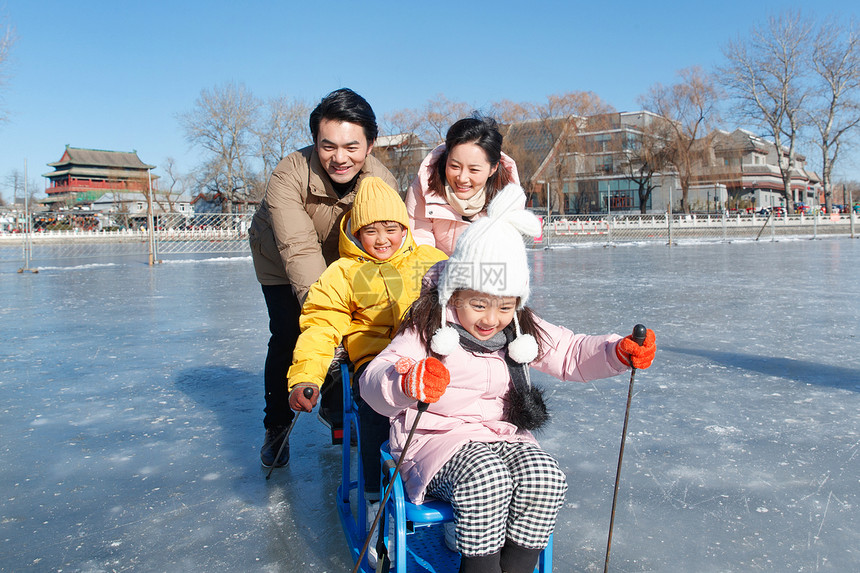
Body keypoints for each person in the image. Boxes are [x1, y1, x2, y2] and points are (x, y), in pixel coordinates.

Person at [360, 183, 656, 573]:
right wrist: (405, 382)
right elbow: (374, 378)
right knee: (487, 478)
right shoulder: (427, 328)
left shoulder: (518, 328)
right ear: (454, 294)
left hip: (501, 437)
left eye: (503, 306)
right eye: (478, 304)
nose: (490, 319)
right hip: (434, 443)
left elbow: (569, 352)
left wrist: (616, 352)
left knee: (545, 478)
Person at [286, 176, 447, 565]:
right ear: (355, 232)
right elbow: (321, 326)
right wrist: (306, 376)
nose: (382, 239)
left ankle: (453, 503)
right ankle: (377, 503)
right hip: (377, 368)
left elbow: (469, 301)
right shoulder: (341, 274)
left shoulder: (432, 262)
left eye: (391, 228)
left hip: (429, 363)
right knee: (378, 419)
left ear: (404, 228)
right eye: (370, 230)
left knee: (460, 417)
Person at [249, 88, 398, 468]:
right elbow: (298, 252)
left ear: (370, 144)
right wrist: (327, 320)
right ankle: (276, 425)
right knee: (291, 330)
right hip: (281, 258)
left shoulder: (381, 181)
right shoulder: (289, 174)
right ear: (315, 141)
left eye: (352, 146)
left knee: (363, 328)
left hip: (345, 255)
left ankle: (339, 404)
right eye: (328, 146)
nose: (339, 157)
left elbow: (391, 244)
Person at [406, 113, 521, 255]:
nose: (462, 178)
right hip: (437, 274)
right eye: (455, 166)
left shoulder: (508, 198)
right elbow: (420, 248)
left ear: (493, 168)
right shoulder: (423, 188)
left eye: (474, 170)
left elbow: (508, 255)